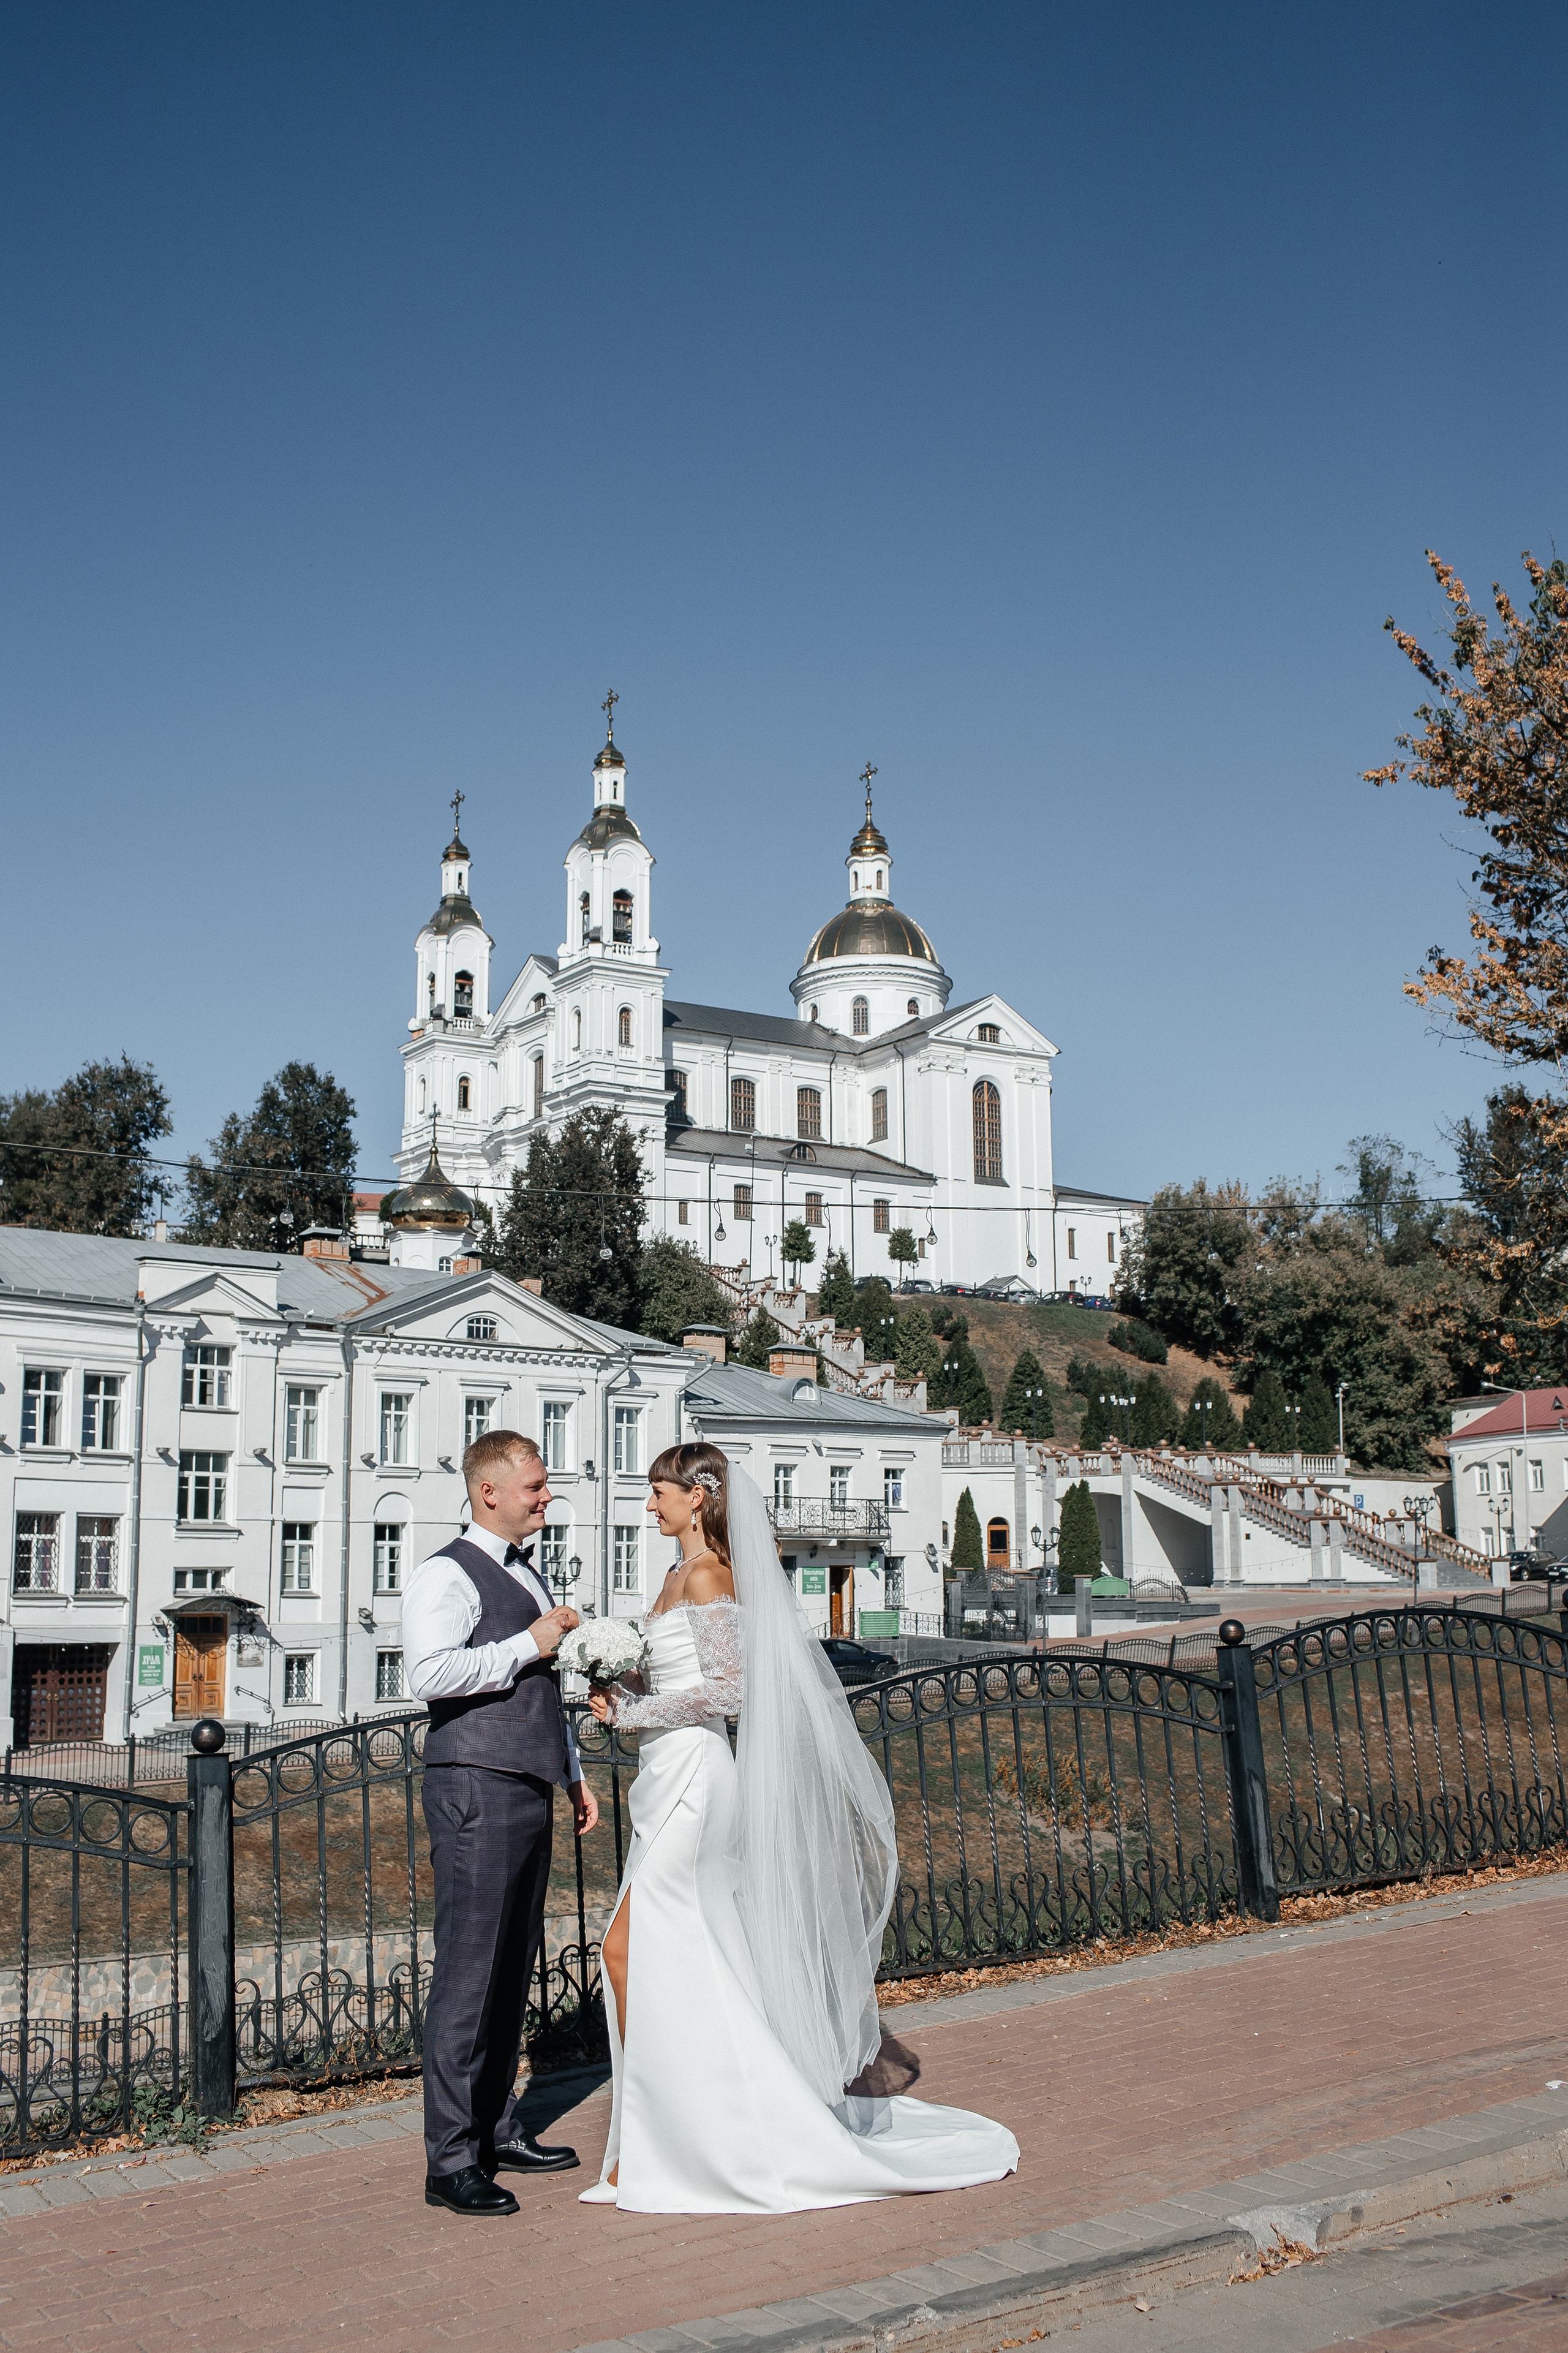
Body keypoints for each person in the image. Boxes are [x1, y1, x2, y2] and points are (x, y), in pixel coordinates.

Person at [580, 1440, 1018, 2214]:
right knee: (686, 1947)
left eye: (658, 1492)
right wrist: (612, 1676)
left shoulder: (711, 1573)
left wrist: (636, 1712)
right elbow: (680, 1672)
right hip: (664, 1773)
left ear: (699, 1495)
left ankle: (675, 2134)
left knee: (631, 1947)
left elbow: (731, 1689)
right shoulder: (675, 1575)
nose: (649, 1505)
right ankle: (669, 2134)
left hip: (693, 1777)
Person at [402, 1427, 600, 2216]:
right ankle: (449, 2160)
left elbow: (539, 1681)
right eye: (535, 1486)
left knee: (512, 1965)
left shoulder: (525, 1565)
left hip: (526, 1781)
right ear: (490, 1492)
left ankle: (495, 2127)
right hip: (474, 1786)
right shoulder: (444, 1573)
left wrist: (572, 1772)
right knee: (469, 1973)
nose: (546, 1496)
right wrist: (531, 1639)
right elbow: (430, 1673)